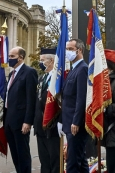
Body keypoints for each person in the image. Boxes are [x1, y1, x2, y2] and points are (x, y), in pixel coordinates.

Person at [4, 47, 38, 173]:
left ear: (21, 57)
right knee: (15, 154)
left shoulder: (29, 72)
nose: (9, 59)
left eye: (12, 56)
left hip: (21, 121)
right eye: (9, 56)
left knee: (22, 154)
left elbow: (31, 98)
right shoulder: (11, 73)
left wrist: (28, 121)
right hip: (9, 120)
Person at [61, 39, 89, 173]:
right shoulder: (74, 69)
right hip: (69, 123)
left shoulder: (83, 69)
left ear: (80, 50)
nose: (67, 52)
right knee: (80, 161)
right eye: (67, 49)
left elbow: (81, 98)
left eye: (70, 49)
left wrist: (76, 121)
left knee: (73, 163)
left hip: (75, 125)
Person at [34, 48, 60, 173]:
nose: (41, 63)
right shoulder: (42, 78)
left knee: (55, 160)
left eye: (43, 60)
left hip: (53, 125)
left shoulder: (58, 79)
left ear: (52, 60)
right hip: (40, 126)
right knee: (44, 160)